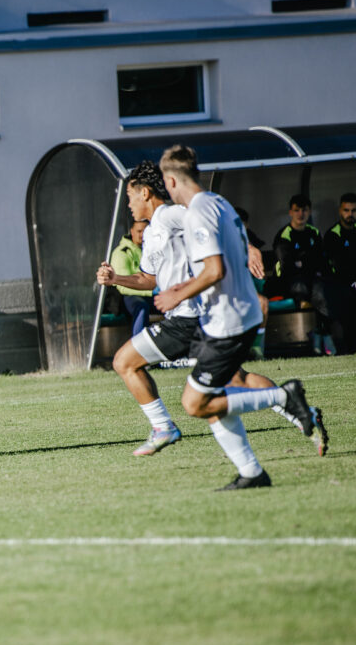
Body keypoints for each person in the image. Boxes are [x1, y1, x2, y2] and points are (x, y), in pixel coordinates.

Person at [97, 161, 304, 459]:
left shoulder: (169, 215)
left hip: (187, 317)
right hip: (199, 319)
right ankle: (300, 412)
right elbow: (148, 279)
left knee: (124, 361)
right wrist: (116, 278)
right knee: (237, 379)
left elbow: (212, 220)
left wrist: (247, 248)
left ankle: (163, 427)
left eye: (129, 197)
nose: (128, 205)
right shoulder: (153, 231)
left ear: (144, 193)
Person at [154, 146, 328, 490]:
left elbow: (214, 270)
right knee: (217, 396)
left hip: (226, 320)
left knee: (194, 403)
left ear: (171, 180)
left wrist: (177, 294)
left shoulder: (198, 212)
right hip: (234, 313)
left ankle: (284, 397)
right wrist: (188, 286)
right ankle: (251, 472)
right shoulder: (218, 202)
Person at [272, 194, 337, 355]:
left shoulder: (314, 233)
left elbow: (321, 260)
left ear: (309, 212)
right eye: (297, 210)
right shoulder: (285, 235)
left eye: (304, 210)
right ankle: (323, 335)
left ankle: (321, 334)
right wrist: (306, 263)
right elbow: (286, 266)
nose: (300, 214)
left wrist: (303, 263)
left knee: (323, 290)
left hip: (312, 280)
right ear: (290, 212)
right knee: (311, 290)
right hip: (289, 283)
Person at [323, 193, 356, 352]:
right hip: (343, 283)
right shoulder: (333, 235)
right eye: (346, 210)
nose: (350, 214)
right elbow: (339, 267)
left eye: (354, 210)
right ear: (340, 211)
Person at [234, 207, 270, 359]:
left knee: (262, 302)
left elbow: (260, 277)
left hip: (246, 291)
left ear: (246, 225)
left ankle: (256, 349)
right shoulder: (221, 242)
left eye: (241, 223)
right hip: (227, 291)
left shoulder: (253, 248)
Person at [110, 218, 153, 336]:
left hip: (151, 293)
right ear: (132, 231)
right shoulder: (121, 253)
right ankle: (138, 343)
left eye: (145, 231)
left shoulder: (152, 250)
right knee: (141, 307)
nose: (142, 235)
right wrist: (150, 290)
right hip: (129, 296)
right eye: (139, 231)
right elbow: (122, 286)